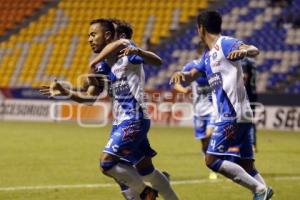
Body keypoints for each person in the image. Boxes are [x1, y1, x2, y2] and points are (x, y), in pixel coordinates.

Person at [41, 18, 178, 200]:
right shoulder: (104, 66)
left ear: (108, 36)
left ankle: (146, 193)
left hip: (133, 119)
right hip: (121, 122)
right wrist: (65, 92)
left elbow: (155, 59)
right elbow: (89, 99)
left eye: (93, 34)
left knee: (107, 163)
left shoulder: (126, 51)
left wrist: (94, 63)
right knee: (145, 169)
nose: (89, 39)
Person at [170, 10, 273, 200]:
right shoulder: (208, 56)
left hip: (231, 113)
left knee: (211, 160)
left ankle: (260, 190)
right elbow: (193, 74)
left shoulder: (224, 43)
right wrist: (182, 75)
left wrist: (244, 51)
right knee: (247, 165)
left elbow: (254, 49)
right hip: (242, 113)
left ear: (201, 29)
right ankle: (262, 193)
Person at [174, 59, 217, 180]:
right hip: (198, 112)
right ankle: (210, 165)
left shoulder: (213, 65)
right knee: (204, 141)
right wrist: (184, 90)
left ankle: (215, 164)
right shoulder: (191, 67)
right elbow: (176, 83)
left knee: (209, 135)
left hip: (212, 110)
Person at [242, 57, 258, 152]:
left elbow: (244, 77)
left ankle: (247, 144)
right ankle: (253, 144)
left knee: (243, 120)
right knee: (250, 120)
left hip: (246, 94)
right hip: (253, 93)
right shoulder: (252, 61)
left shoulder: (244, 62)